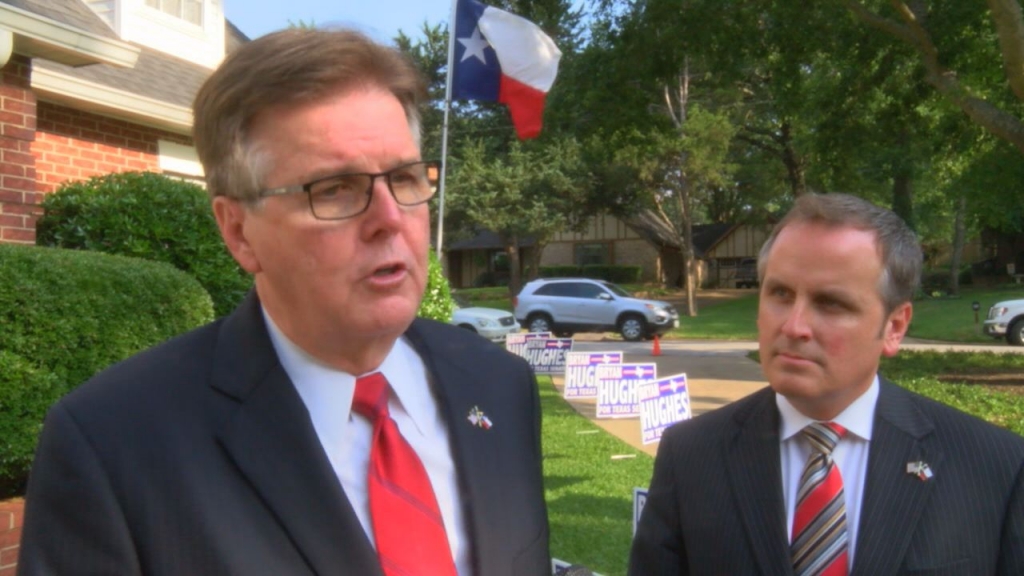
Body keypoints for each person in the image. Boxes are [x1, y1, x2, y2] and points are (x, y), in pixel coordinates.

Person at [18, 28, 550, 576]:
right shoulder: (112, 444)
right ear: (240, 233)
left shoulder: (499, 386)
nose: (391, 218)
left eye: (406, 177)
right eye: (335, 189)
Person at [629, 193, 1024, 575]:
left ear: (894, 327)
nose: (794, 326)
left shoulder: (995, 467)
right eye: (780, 294)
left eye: (831, 303)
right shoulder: (692, 455)